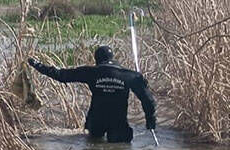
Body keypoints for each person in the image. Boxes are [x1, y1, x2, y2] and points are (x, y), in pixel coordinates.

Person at [27, 46, 157, 143]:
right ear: (113, 58)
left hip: (96, 122)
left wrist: (37, 65)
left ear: (97, 60)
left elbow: (61, 75)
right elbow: (148, 101)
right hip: (119, 124)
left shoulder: (91, 72)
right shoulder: (130, 76)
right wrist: (150, 121)